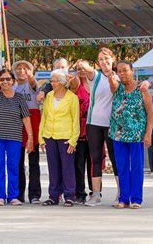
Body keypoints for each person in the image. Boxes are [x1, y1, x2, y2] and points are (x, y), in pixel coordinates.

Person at [75, 48, 120, 207]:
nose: (104, 62)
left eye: (107, 58)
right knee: (95, 159)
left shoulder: (119, 76)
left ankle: (120, 194)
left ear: (113, 59)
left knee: (116, 159)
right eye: (101, 59)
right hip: (94, 123)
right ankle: (95, 194)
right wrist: (82, 64)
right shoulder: (96, 76)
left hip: (113, 124)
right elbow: (88, 68)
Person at [108, 60, 153, 209]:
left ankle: (136, 199)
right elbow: (112, 82)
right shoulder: (117, 88)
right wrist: (110, 75)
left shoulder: (142, 89)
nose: (122, 73)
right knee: (121, 167)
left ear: (132, 71)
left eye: (125, 70)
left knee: (136, 167)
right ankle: (123, 198)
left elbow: (150, 112)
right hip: (118, 134)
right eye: (119, 71)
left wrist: (148, 134)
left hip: (136, 135)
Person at [0, 69, 33, 206]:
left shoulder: (19, 97)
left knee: (13, 166)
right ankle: (0, 196)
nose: (5, 82)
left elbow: (26, 118)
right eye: (2, 79)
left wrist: (30, 137)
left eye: (8, 79)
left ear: (13, 81)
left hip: (14, 137)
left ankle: (13, 196)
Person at [39, 69, 79, 207]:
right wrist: (41, 138)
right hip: (49, 135)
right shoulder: (49, 96)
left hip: (66, 137)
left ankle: (69, 196)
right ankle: (53, 196)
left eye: (55, 80)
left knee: (67, 168)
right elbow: (44, 117)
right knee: (53, 168)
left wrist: (73, 140)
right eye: (52, 80)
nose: (52, 83)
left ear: (62, 83)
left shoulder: (72, 98)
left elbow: (76, 120)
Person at [12, 60, 42, 204]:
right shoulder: (13, 86)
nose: (21, 70)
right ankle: (18, 194)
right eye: (18, 68)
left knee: (34, 161)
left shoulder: (33, 84)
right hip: (17, 122)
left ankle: (34, 194)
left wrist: (30, 77)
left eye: (25, 68)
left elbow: (33, 83)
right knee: (18, 162)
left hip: (33, 121)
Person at [70, 60, 93, 204]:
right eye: (79, 69)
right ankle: (80, 193)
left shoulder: (96, 83)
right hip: (79, 130)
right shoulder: (75, 86)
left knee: (94, 163)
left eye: (84, 68)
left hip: (95, 129)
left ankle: (95, 191)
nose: (82, 71)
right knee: (78, 164)